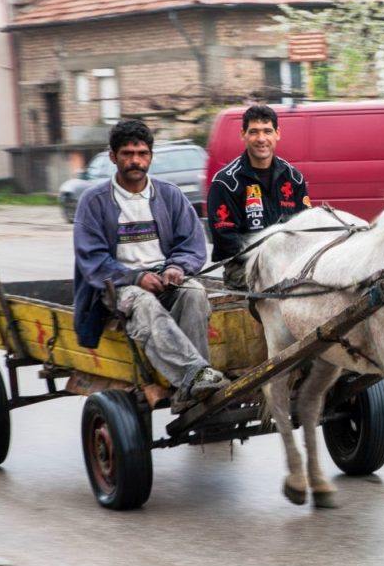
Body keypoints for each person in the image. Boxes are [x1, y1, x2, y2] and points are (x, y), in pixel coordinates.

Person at [73, 119, 229, 411]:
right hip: (116, 287)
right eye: (127, 154)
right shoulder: (93, 202)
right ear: (113, 156)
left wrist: (176, 267)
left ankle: (189, 390)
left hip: (164, 277)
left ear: (150, 156)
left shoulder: (169, 195)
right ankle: (194, 377)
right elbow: (91, 259)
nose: (135, 160)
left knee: (194, 293)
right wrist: (135, 277)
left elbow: (192, 244)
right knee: (143, 303)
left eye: (142, 153)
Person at [207, 104, 310, 289]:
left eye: (267, 131)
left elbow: (306, 227)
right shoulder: (225, 182)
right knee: (280, 288)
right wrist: (269, 257)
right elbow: (225, 240)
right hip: (244, 269)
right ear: (243, 135)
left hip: (290, 265)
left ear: (277, 133)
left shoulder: (293, 178)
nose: (261, 139)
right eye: (254, 132)